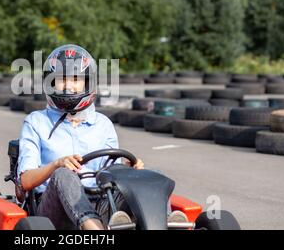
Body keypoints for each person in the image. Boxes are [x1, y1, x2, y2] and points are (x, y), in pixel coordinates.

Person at [17, 44, 183, 230]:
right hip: (53, 213)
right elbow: (25, 181)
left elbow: (112, 174)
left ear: (87, 83)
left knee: (151, 175)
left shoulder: (102, 124)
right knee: (64, 175)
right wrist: (57, 164)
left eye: (75, 79)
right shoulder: (36, 122)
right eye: (61, 79)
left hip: (100, 203)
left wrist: (128, 168)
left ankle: (163, 223)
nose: (69, 85)